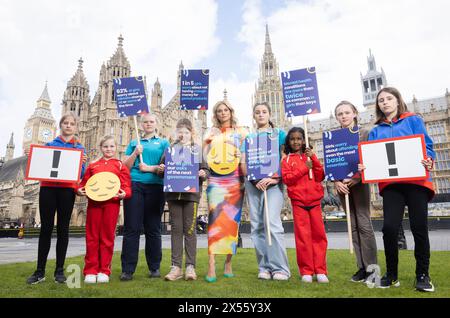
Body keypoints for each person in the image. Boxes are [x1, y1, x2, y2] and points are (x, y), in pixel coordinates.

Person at [359, 87, 435, 292]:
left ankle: (423, 275)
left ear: (397, 100)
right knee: (389, 228)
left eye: (389, 98)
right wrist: (365, 166)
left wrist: (429, 160)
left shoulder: (413, 120)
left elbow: (427, 145)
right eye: (381, 100)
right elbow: (373, 157)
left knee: (419, 229)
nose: (385, 102)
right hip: (392, 186)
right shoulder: (376, 130)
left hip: (416, 182)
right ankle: (392, 275)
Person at [26, 113, 87, 284]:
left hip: (67, 191)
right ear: (61, 126)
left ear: (76, 127)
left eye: (71, 124)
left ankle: (59, 271)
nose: (68, 126)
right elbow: (39, 167)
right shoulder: (49, 145)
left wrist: (82, 164)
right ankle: (40, 271)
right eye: (65, 123)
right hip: (48, 189)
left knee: (63, 230)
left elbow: (80, 174)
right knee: (45, 228)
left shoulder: (79, 148)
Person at [242, 102, 291, 281]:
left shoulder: (279, 134)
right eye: (257, 112)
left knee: (272, 222)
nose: (261, 115)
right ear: (253, 116)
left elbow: (286, 157)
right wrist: (254, 179)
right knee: (257, 225)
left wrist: (275, 177)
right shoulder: (249, 138)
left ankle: (280, 268)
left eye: (264, 111)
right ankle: (264, 267)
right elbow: (243, 162)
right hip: (253, 184)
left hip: (273, 183)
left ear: (270, 114)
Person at [158, 118, 209, 281]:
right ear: (176, 133)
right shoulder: (169, 150)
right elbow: (161, 170)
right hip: (173, 196)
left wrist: (203, 173)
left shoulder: (197, 150)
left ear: (191, 133)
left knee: (190, 230)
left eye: (186, 132)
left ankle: (190, 267)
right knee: (176, 230)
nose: (183, 135)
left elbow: (206, 170)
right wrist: (161, 169)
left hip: (191, 197)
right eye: (180, 132)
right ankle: (176, 267)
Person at [120, 113, 170, 281]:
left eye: (151, 122)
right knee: (131, 228)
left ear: (156, 124)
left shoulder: (163, 143)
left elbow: (168, 167)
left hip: (155, 187)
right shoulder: (135, 143)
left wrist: (149, 167)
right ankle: (127, 269)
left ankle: (154, 267)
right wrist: (135, 153)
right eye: (145, 122)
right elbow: (124, 167)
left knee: (153, 228)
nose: (148, 124)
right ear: (141, 125)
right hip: (135, 185)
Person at [333, 101, 378, 283]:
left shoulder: (365, 133)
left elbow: (371, 159)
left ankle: (372, 269)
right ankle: (361, 267)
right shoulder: (334, 137)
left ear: (354, 113)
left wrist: (355, 178)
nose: (343, 116)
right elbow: (332, 163)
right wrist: (336, 181)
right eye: (340, 114)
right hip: (342, 187)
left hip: (359, 184)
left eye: (346, 112)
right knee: (352, 226)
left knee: (364, 224)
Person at [77, 135, 132, 284]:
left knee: (107, 238)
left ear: (116, 148)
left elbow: (126, 186)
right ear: (101, 148)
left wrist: (124, 193)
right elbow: (84, 184)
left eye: (112, 146)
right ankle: (90, 270)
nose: (109, 149)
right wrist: (79, 190)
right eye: (106, 146)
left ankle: (104, 270)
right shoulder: (92, 166)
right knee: (92, 237)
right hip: (94, 205)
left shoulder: (120, 166)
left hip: (112, 205)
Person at [203, 100, 248, 282]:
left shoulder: (241, 132)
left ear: (231, 111)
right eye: (219, 111)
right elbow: (204, 156)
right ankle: (211, 264)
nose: (223, 113)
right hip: (216, 179)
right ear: (216, 114)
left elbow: (247, 153)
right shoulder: (210, 132)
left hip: (235, 180)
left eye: (225, 110)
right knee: (215, 221)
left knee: (231, 222)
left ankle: (228, 262)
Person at [281, 127, 329, 283]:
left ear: (304, 140)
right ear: (289, 141)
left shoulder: (310, 156)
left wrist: (313, 159)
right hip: (299, 203)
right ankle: (306, 271)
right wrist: (303, 168)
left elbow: (320, 175)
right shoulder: (286, 160)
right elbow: (288, 179)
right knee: (303, 239)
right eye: (293, 139)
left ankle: (320, 270)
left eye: (299, 138)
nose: (296, 141)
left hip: (314, 202)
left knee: (319, 237)